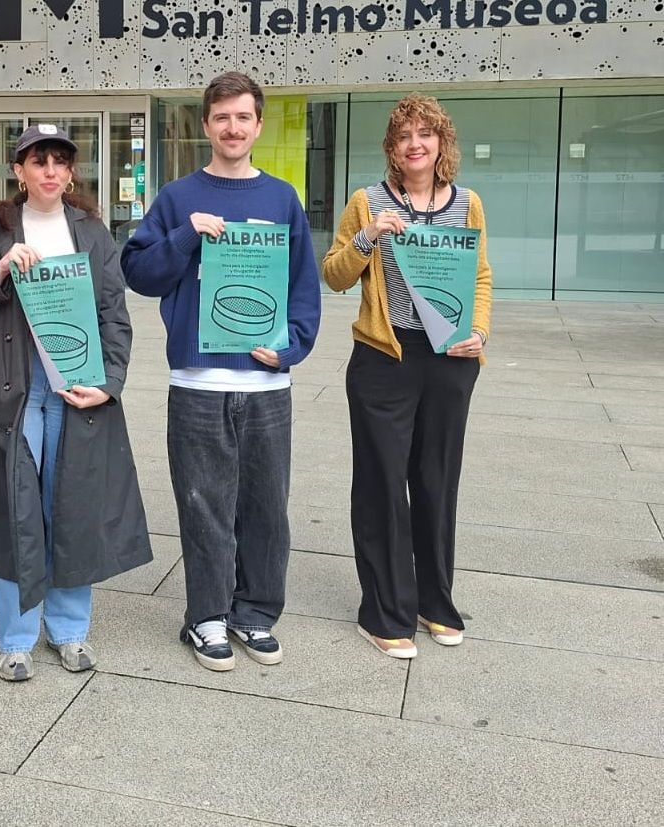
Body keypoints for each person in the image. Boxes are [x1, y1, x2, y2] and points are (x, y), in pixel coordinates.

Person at [122, 73, 321, 672]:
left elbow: (302, 286)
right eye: (221, 118)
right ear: (206, 125)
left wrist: (291, 349)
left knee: (265, 506)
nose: (233, 128)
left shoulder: (283, 198)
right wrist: (185, 236)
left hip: (264, 383)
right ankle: (206, 617)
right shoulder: (178, 197)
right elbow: (140, 272)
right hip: (199, 382)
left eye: (243, 117)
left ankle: (255, 613)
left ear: (258, 125)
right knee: (203, 503)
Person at [0, 124, 152, 682]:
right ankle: (16, 637)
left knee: (72, 507)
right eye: (37, 160)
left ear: (71, 173)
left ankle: (69, 632)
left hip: (77, 392)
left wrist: (111, 380)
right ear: (18, 171)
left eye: (59, 161)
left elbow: (113, 315)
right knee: (15, 510)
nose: (49, 170)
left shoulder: (93, 234)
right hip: (14, 392)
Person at [322, 93, 492, 659]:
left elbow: (482, 276)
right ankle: (384, 610)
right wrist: (370, 238)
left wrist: (481, 334)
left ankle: (433, 601)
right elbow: (335, 275)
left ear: (441, 142)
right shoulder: (366, 202)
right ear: (392, 149)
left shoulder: (466, 202)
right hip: (384, 359)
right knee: (381, 484)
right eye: (403, 136)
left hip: (449, 360)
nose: (415, 144)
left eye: (426, 134)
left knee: (437, 482)